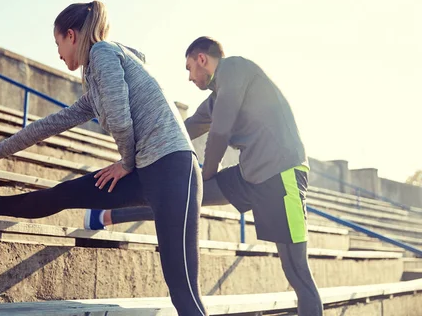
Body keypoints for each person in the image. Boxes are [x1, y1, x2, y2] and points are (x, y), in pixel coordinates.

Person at [0, 1, 208, 316]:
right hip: (148, 171)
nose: (58, 52)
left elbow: (120, 119)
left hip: (173, 171)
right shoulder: (96, 81)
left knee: (184, 292)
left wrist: (126, 163)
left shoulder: (103, 53)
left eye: (57, 43)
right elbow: (52, 123)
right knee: (63, 194)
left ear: (72, 35)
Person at [85, 36, 324, 316]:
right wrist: (134, 156)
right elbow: (183, 128)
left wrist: (206, 173)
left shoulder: (235, 69)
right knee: (177, 198)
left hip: (282, 174)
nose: (189, 77)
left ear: (202, 59)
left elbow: (220, 131)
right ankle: (106, 216)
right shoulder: (215, 99)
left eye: (189, 68)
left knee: (297, 272)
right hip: (251, 176)